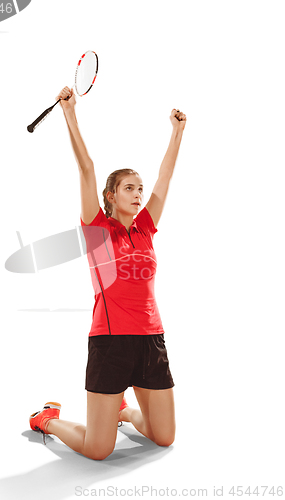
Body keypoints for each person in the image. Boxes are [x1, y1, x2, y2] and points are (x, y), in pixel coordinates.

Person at [29, 86, 186, 461]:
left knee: (164, 437)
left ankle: (124, 411)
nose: (138, 194)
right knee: (99, 450)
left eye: (140, 189)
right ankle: (47, 420)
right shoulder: (97, 229)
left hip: (151, 339)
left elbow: (165, 179)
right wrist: (70, 113)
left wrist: (177, 132)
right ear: (111, 196)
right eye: (129, 188)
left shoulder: (146, 227)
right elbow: (87, 167)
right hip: (111, 342)